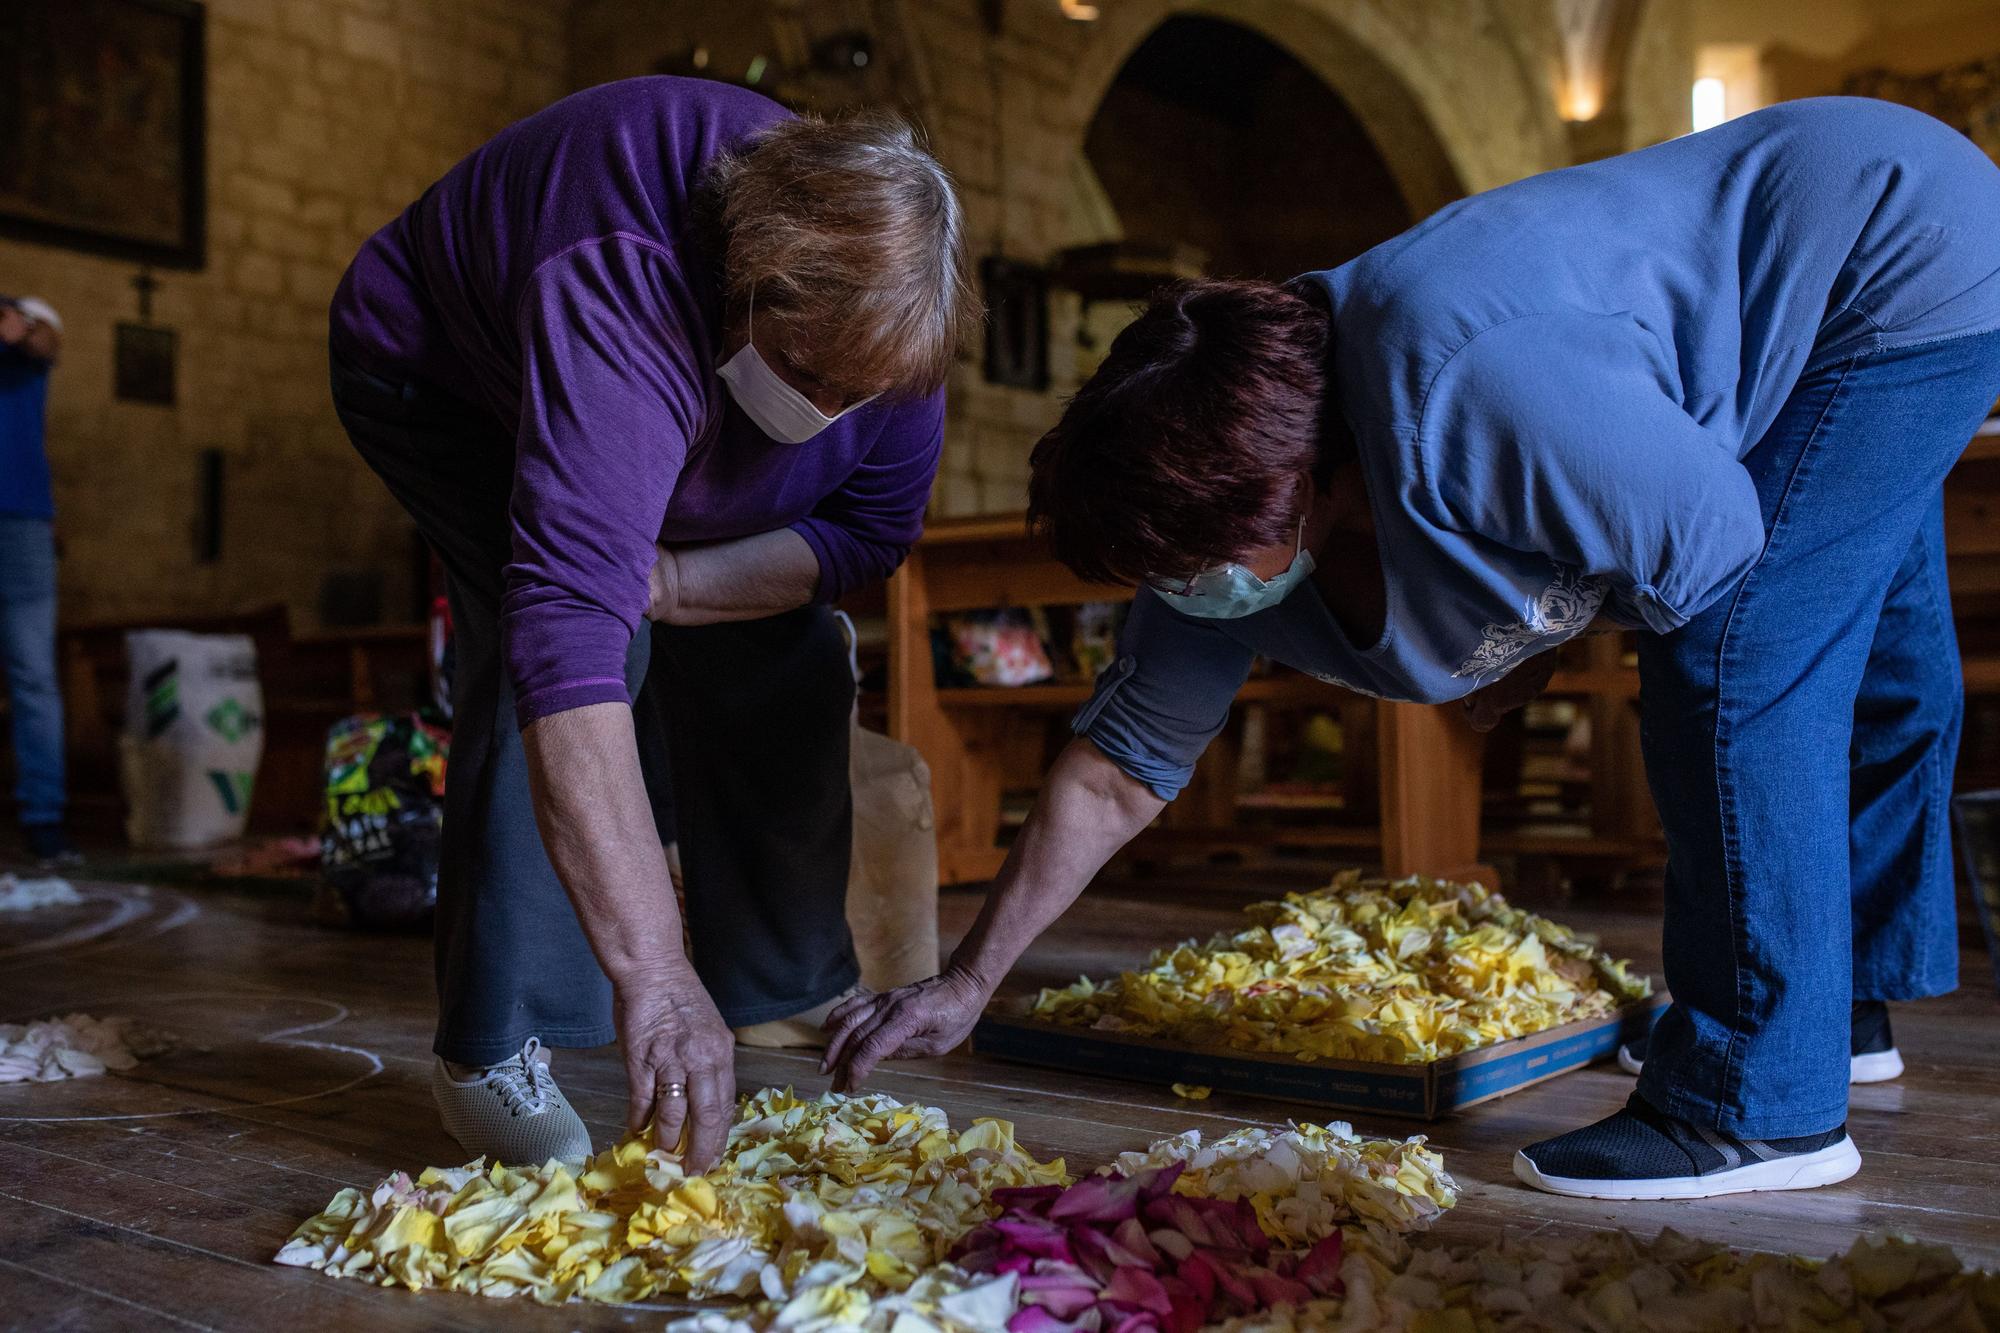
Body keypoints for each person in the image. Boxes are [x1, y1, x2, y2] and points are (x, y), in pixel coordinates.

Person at [825, 97, 2000, 1202]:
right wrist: (967, 981)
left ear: (1299, 489)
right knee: (1866, 641)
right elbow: (1116, 764)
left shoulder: (1466, 389)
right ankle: (1829, 1013)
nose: (1185, 596)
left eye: (1195, 567)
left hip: (1893, 255)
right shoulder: (1221, 510)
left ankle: (1755, 1101)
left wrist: (1538, 644)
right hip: (1810, 271)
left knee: (1736, 663)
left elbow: (1711, 549)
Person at [329, 76, 973, 1170]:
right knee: (561, 642)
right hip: (446, 383)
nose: (830, 410)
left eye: (858, 394)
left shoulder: (897, 336)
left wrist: (676, 580)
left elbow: (867, 532)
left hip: (694, 456)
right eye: (811, 377)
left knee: (792, 647)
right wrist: (654, 975)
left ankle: (777, 975)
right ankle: (495, 1040)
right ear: (745, 291)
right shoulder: (626, 277)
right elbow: (565, 630)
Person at [0, 294, 78, 870]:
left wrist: (17, 324)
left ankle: (44, 820)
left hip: (20, 524)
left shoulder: (24, 317)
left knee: (32, 675)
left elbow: (46, 341)